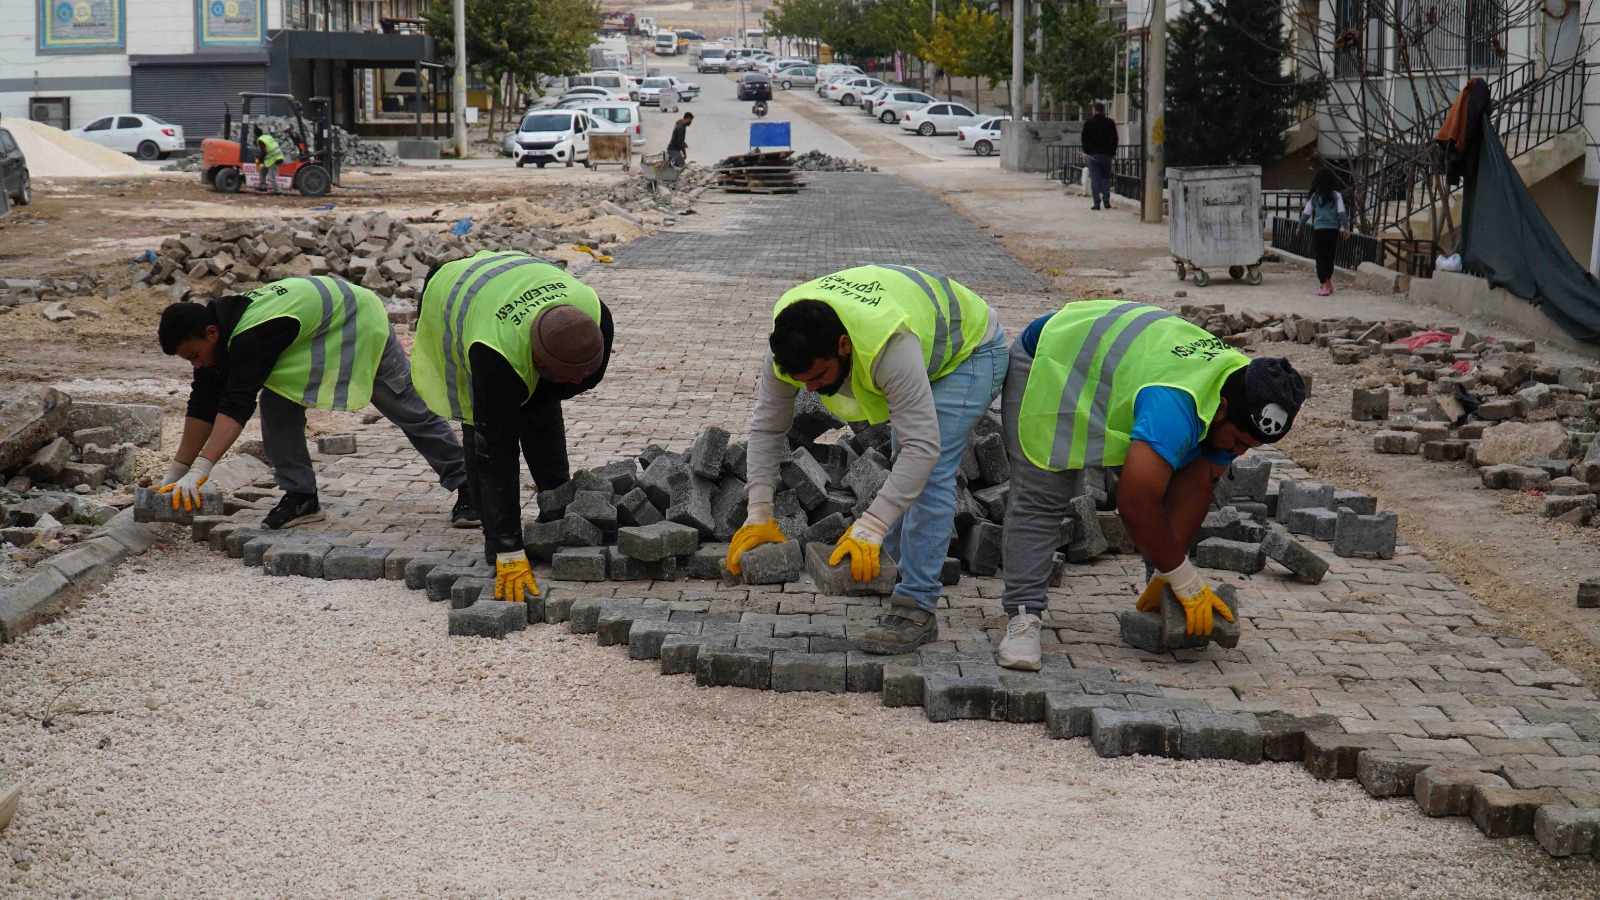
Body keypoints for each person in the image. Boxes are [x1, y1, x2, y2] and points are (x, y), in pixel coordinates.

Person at [994, 300, 1305, 670]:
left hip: (1119, 370)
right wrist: (1185, 580)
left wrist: (1165, 572)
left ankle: (1159, 592)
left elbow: (1196, 488)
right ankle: (1023, 617)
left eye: (1248, 447)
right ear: (1220, 409)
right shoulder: (1175, 403)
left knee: (1196, 457)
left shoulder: (1244, 390)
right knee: (1043, 494)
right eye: (1238, 441)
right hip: (1055, 357)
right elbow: (1136, 503)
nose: (1239, 452)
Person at [727, 265, 1009, 654]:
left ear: (844, 346)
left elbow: (922, 449)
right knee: (905, 463)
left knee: (931, 468)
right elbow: (767, 429)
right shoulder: (788, 346)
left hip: (969, 351)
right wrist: (759, 509)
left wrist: (872, 524)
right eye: (800, 380)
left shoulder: (885, 344)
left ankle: (916, 608)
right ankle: (881, 569)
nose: (809, 389)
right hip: (917, 341)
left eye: (818, 375)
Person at [157, 277, 474, 530]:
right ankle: (301, 497)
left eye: (194, 356)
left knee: (406, 406)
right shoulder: (218, 336)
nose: (196, 365)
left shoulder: (249, 335)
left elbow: (236, 407)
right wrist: (176, 474)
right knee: (277, 403)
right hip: (316, 334)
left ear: (211, 333)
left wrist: (202, 468)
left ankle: (469, 488)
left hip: (358, 321)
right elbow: (203, 405)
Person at [412, 250, 614, 605]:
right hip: (455, 293)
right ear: (536, 358)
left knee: (538, 408)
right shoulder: (494, 356)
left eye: (584, 374)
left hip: (514, 281)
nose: (579, 382)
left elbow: (546, 397)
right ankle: (492, 530)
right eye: (569, 378)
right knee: (484, 427)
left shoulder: (596, 317)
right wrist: (508, 546)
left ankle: (556, 517)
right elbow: (496, 450)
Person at [1297, 168, 1349, 296]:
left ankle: (1323, 285)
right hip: (1333, 229)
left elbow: (1306, 213)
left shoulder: (1315, 197)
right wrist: (1346, 228)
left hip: (1319, 229)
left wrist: (1299, 226)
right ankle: (1329, 281)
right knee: (1330, 256)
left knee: (1320, 257)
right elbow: (1342, 213)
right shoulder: (1337, 195)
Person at [1081, 102, 1117, 211]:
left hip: (1093, 155)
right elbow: (1115, 139)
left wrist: (1086, 152)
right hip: (1106, 155)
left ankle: (1096, 202)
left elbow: (1084, 139)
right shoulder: (1110, 123)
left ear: (1094, 110)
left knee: (1095, 178)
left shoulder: (1089, 123)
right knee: (1106, 177)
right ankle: (1106, 200)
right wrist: (1112, 152)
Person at [255, 132, 284, 196]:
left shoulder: (260, 140)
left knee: (271, 177)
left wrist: (259, 159)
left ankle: (278, 192)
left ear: (256, 136)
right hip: (276, 158)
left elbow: (263, 152)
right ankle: (263, 187)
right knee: (262, 171)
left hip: (275, 160)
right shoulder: (268, 137)